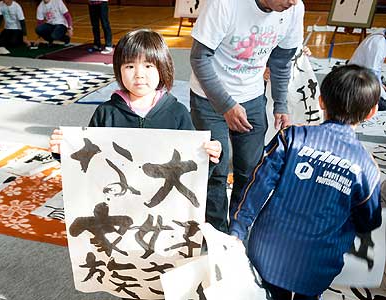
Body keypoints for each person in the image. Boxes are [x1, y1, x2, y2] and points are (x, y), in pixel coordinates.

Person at [230, 65, 383, 300]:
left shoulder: (291, 138)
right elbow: (368, 221)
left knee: (269, 294)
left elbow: (256, 186)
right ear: (372, 112)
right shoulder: (366, 167)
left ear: (321, 101)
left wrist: (237, 230)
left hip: (267, 253)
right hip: (318, 264)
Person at [189, 0, 305, 233]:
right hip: (209, 99)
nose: (292, 1)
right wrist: (226, 105)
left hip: (251, 95)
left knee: (251, 170)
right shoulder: (225, 4)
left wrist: (280, 103)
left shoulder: (294, 9)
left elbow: (281, 61)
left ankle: (238, 232)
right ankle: (216, 235)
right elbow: (199, 58)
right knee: (215, 172)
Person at [49, 29, 221, 166]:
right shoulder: (106, 113)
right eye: (130, 66)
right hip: (117, 200)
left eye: (148, 66)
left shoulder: (178, 113)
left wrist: (208, 157)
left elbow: (190, 167)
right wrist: (63, 152)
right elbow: (90, 160)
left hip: (163, 205)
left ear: (163, 69)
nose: (139, 74)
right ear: (119, 70)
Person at [348, 29, 386, 111]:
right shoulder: (379, 45)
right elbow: (372, 75)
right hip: (357, 84)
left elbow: (376, 71)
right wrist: (384, 95)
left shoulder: (380, 35)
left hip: (363, 77)